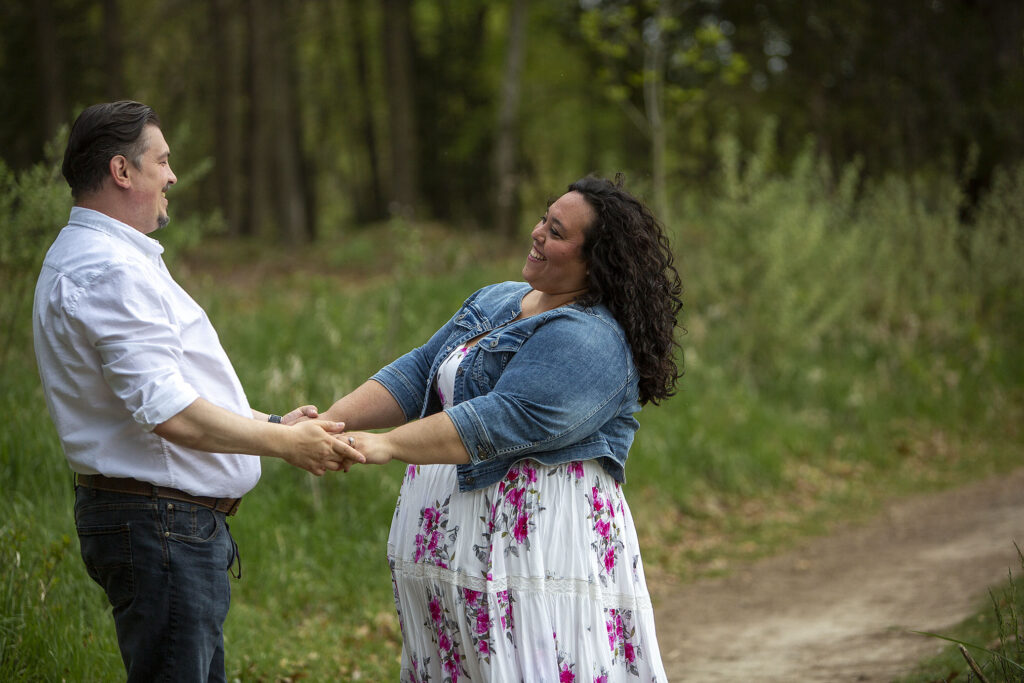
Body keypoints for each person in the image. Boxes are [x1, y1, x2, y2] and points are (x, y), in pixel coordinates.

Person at [32, 100, 363, 682]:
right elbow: (167, 414)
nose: (172, 176)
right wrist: (281, 445)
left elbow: (162, 392)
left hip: (162, 524)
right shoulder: (109, 270)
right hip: (160, 526)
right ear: (121, 171)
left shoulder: (105, 259)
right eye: (162, 161)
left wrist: (272, 423)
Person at [320, 175, 682, 681]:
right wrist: (327, 423)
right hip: (447, 542)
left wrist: (384, 446)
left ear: (595, 263)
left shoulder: (593, 341)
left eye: (556, 233)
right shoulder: (498, 300)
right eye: (543, 219)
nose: (537, 234)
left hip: (531, 556)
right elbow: (421, 369)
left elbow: (498, 420)